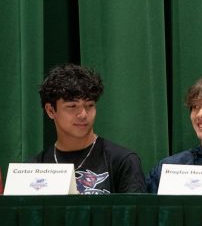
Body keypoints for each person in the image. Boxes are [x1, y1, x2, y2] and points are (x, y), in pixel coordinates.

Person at [32, 64, 146, 194]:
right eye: (72, 106)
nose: (83, 115)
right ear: (51, 110)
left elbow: (134, 213)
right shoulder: (33, 169)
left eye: (89, 105)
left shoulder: (122, 161)